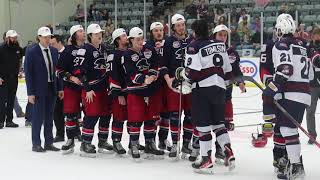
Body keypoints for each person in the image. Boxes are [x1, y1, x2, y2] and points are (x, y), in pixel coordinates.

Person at [175, 19, 235, 173]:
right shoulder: (220, 45)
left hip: (202, 89)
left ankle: (206, 159)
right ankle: (228, 151)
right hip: (220, 88)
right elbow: (228, 71)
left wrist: (182, 75)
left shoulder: (194, 46)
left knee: (202, 126)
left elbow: (192, 72)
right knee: (218, 124)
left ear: (195, 32)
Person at [263, 14, 312, 179]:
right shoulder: (302, 45)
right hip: (304, 92)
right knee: (290, 130)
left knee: (287, 129)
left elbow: (285, 69)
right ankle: (295, 165)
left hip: (291, 92)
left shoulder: (281, 44)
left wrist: (272, 88)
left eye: (277, 28)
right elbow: (310, 74)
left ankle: (296, 167)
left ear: (281, 29)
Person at [123, 27, 164, 161]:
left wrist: (152, 75)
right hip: (135, 91)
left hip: (151, 90)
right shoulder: (127, 55)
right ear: (131, 40)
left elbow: (156, 63)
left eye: (142, 39)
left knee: (151, 119)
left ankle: (150, 143)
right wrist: (144, 79)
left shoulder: (149, 49)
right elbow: (130, 73)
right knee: (135, 120)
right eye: (137, 40)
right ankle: (133, 145)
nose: (140, 42)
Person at [75, 24, 113, 157]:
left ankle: (102, 141)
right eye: (96, 34)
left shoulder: (104, 48)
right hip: (91, 89)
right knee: (91, 115)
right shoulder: (84, 49)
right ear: (90, 36)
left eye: (100, 33)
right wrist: (87, 88)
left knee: (106, 115)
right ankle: (85, 143)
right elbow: (79, 71)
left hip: (104, 88)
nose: (99, 36)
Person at [24, 26, 62, 152]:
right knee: (37, 118)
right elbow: (28, 74)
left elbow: (58, 71)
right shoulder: (31, 51)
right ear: (39, 37)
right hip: (39, 90)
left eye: (49, 37)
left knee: (49, 117)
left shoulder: (54, 51)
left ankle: (49, 142)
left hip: (52, 88)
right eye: (45, 37)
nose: (47, 39)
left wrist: (60, 88)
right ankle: (36, 143)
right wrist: (30, 93)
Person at [212, 24, 246, 164]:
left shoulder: (232, 52)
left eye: (225, 35)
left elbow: (236, 70)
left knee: (223, 123)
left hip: (226, 94)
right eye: (220, 35)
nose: (223, 37)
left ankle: (220, 150)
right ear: (214, 36)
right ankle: (199, 149)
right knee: (209, 123)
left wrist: (241, 82)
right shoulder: (209, 50)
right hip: (211, 92)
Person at [163, 14, 194, 159]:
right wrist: (168, 80)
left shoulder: (192, 40)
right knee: (175, 116)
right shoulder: (168, 41)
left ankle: (187, 144)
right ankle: (175, 143)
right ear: (173, 27)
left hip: (190, 82)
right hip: (174, 83)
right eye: (178, 25)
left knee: (190, 115)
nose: (181, 27)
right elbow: (163, 64)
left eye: (183, 24)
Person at [56, 25, 85, 154]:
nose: (83, 32)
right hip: (71, 88)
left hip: (86, 87)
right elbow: (58, 71)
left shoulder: (87, 49)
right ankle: (70, 140)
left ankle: (86, 141)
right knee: (70, 115)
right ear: (74, 35)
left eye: (84, 31)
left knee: (89, 115)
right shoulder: (67, 51)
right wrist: (71, 77)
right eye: (80, 31)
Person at [146, 22, 172, 151]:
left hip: (166, 84)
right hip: (154, 86)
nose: (159, 33)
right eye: (156, 30)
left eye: (161, 30)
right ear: (151, 32)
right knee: (154, 115)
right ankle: (150, 142)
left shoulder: (168, 43)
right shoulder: (146, 46)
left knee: (166, 114)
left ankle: (162, 140)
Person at [109, 28, 129, 155]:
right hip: (119, 91)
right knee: (119, 117)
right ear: (117, 40)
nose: (126, 37)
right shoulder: (114, 55)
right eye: (123, 36)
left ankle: (134, 142)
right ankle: (116, 141)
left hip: (131, 90)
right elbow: (113, 75)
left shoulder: (129, 52)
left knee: (133, 118)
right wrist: (119, 93)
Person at [0, 30, 23, 129]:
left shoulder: (17, 48)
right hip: (3, 79)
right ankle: (1, 121)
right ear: (7, 38)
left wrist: (20, 70)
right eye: (13, 37)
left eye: (15, 37)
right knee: (1, 100)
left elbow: (21, 59)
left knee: (11, 100)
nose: (15, 39)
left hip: (14, 78)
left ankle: (9, 120)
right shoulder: (1, 48)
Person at [50, 35, 65, 142]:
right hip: (56, 88)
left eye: (53, 44)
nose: (51, 46)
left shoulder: (68, 53)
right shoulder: (51, 54)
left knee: (73, 112)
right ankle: (60, 134)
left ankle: (76, 133)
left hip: (69, 87)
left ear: (59, 42)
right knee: (57, 111)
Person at [306, 27, 320, 144]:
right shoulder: (308, 48)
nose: (315, 36)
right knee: (310, 111)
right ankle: (312, 134)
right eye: (314, 34)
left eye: (317, 34)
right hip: (312, 84)